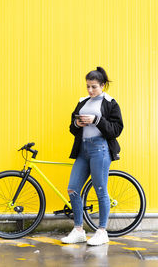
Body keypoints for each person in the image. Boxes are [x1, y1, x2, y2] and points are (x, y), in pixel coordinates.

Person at [61, 67, 123, 246]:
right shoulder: (82, 102)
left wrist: (96, 121)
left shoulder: (110, 103)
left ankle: (102, 232)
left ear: (103, 85)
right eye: (87, 86)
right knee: (73, 189)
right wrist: (77, 123)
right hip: (83, 150)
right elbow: (72, 128)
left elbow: (116, 130)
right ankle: (79, 231)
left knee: (100, 189)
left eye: (94, 87)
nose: (90, 90)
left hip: (101, 149)